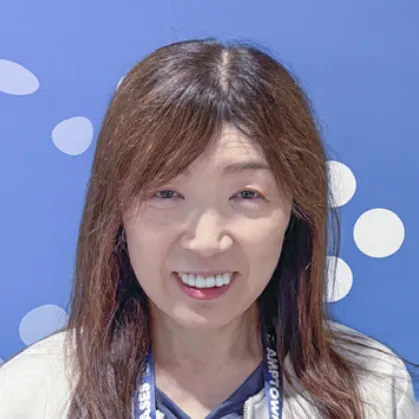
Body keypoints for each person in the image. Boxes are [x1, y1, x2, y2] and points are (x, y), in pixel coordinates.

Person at [0, 39, 416, 419]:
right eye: (166, 193)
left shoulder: (372, 393)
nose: (205, 242)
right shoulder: (27, 397)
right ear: (117, 211)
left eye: (247, 195)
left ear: (295, 211)